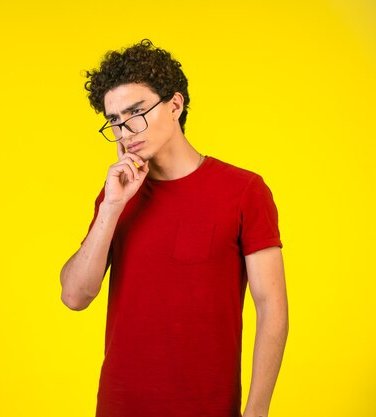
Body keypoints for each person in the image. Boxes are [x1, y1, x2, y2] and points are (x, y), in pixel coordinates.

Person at [59, 39, 289, 417]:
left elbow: (272, 308)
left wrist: (257, 411)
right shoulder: (117, 194)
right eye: (114, 120)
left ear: (175, 105)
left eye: (136, 111)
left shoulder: (244, 190)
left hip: (208, 407)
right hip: (120, 406)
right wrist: (113, 206)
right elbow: (75, 296)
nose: (125, 129)